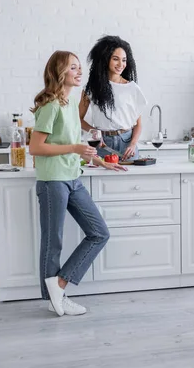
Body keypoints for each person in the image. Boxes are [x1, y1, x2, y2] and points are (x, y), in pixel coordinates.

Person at [29, 50, 126, 316]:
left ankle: (58, 286)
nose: (79, 71)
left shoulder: (71, 104)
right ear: (60, 72)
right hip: (53, 182)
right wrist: (74, 147)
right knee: (53, 241)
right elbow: (36, 147)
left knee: (99, 233)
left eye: (79, 67)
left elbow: (76, 147)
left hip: (73, 179)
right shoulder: (50, 105)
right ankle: (54, 299)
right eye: (73, 67)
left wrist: (100, 161)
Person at [79, 35, 148, 161]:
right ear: (105, 60)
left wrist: (133, 144)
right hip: (101, 143)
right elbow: (77, 119)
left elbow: (138, 124)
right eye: (116, 59)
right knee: (102, 179)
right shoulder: (91, 89)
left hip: (127, 143)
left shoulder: (132, 88)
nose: (121, 64)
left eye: (124, 60)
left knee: (129, 180)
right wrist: (94, 132)